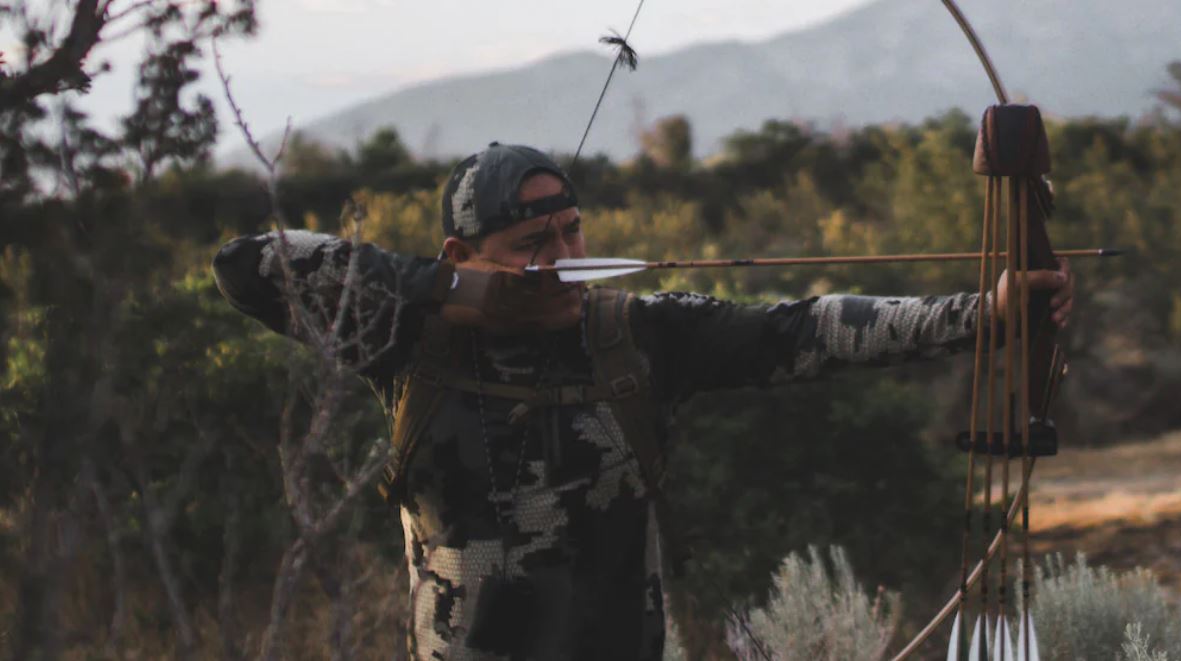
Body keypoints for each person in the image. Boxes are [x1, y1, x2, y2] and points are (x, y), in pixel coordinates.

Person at [212, 142, 1074, 660]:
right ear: (461, 252)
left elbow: (806, 331)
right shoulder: (409, 342)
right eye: (530, 243)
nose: (564, 255)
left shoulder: (641, 336)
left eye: (572, 232)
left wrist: (987, 315)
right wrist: (457, 293)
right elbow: (246, 267)